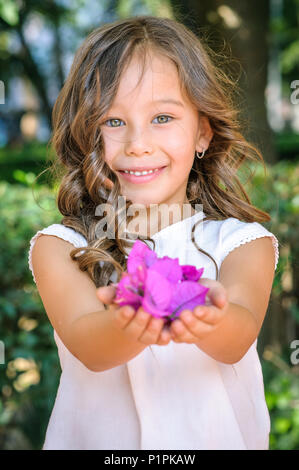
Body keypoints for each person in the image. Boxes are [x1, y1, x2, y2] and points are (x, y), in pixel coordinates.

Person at [28, 15, 279, 450]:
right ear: (84, 133)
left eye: (162, 117)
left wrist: (204, 315)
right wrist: (141, 318)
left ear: (203, 131)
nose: (137, 144)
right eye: (112, 121)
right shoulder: (61, 248)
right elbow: (91, 343)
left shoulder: (243, 243)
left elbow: (237, 335)